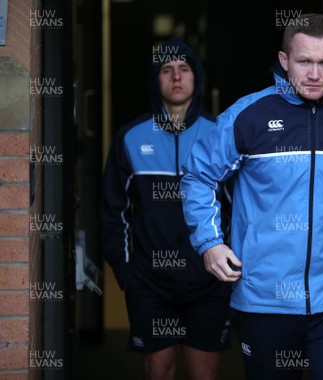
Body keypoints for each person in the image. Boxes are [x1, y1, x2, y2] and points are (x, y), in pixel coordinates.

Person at [181, 14, 323, 380]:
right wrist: (209, 243)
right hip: (265, 298)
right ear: (285, 59)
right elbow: (198, 176)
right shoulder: (247, 117)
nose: (315, 74)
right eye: (304, 61)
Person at [100, 37, 231, 380]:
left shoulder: (219, 135)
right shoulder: (131, 138)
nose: (176, 77)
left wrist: (232, 264)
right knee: (159, 371)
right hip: (150, 283)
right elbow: (113, 210)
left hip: (208, 282)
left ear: (196, 77)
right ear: (155, 79)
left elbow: (240, 208)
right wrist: (126, 270)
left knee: (203, 375)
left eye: (184, 69)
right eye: (166, 70)